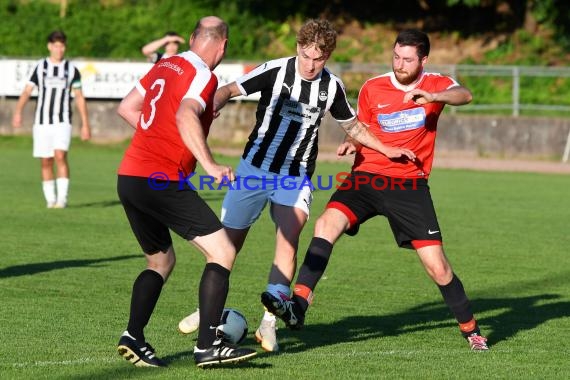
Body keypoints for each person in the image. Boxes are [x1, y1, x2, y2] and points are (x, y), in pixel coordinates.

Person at [177, 19, 414, 353]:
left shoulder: (331, 87)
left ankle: (268, 324)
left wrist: (387, 149)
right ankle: (209, 309)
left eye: (318, 58)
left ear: (327, 56)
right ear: (297, 48)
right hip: (253, 170)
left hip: (295, 175)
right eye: (306, 55)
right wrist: (213, 104)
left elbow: (354, 126)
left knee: (289, 237)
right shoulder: (274, 71)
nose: (310, 64)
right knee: (226, 247)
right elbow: (230, 89)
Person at [262, 29, 490, 351]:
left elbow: (465, 95)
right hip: (366, 177)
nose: (400, 64)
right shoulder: (373, 87)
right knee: (327, 224)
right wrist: (350, 141)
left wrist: (435, 98)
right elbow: (362, 127)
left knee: (437, 265)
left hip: (409, 184)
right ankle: (298, 307)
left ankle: (471, 329)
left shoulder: (436, 84)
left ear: (423, 59)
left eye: (408, 59)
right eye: (396, 56)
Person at [115, 16, 257, 368]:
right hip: (160, 179)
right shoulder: (204, 76)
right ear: (222, 45)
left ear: (193, 38)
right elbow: (185, 114)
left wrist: (163, 134)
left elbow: (127, 107)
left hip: (129, 176)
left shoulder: (166, 64)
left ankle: (134, 335)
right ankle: (208, 346)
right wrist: (209, 165)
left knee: (161, 261)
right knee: (222, 251)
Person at [12, 30, 91, 209]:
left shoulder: (71, 70)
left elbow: (79, 97)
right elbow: (27, 91)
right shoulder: (40, 67)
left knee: (60, 155)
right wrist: (18, 112)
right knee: (46, 160)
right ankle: (50, 200)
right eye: (56, 45)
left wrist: (85, 124)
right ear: (49, 46)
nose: (59, 49)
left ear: (65, 47)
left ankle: (62, 200)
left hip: (62, 121)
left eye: (62, 46)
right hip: (42, 122)